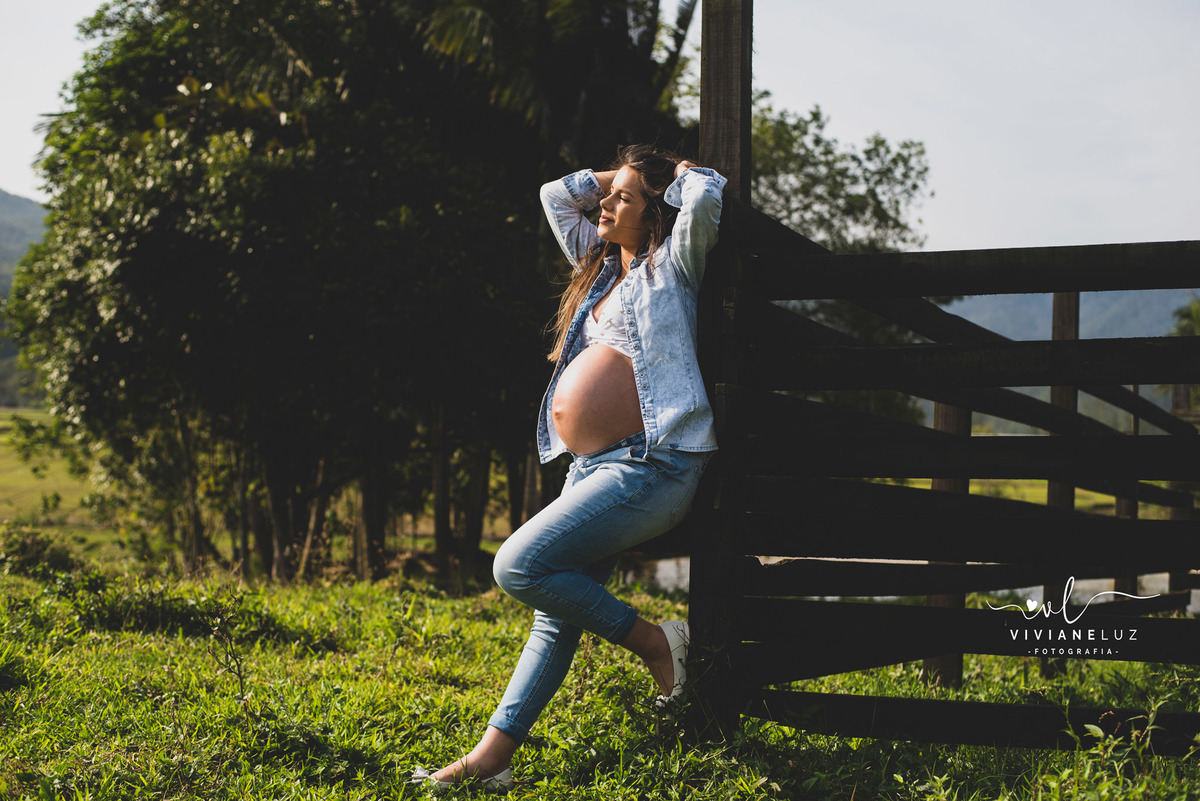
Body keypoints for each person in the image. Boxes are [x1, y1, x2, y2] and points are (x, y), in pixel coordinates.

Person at [412, 144, 725, 793]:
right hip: (593, 466)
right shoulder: (605, 269)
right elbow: (557, 195)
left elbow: (704, 199)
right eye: (608, 196)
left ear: (655, 213)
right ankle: (490, 760)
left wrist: (676, 174)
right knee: (553, 614)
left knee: (518, 566)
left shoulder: (674, 266)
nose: (607, 203)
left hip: (652, 463)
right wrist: (624, 174)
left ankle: (655, 642)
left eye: (624, 198)